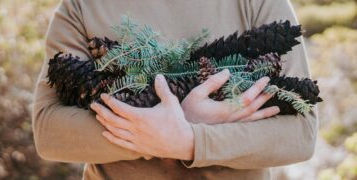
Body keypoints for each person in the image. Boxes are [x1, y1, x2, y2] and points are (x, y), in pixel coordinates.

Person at [32, 0, 318, 179]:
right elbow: (48, 131)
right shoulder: (81, 6)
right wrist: (164, 129)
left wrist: (192, 140)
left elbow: (301, 133)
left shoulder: (259, 2)